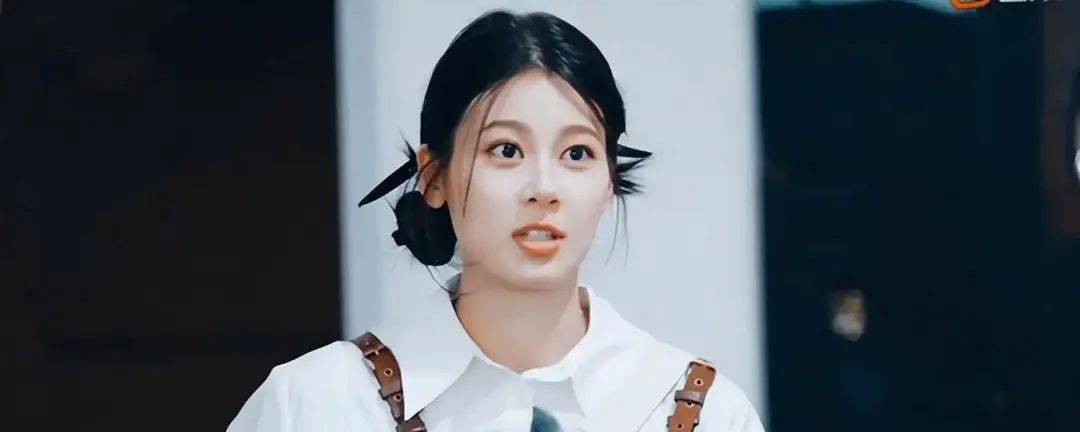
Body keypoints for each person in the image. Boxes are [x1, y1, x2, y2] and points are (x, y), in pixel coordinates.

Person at [227, 10, 765, 432]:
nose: (544, 188)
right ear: (433, 177)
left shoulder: (703, 411)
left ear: (609, 184)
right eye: (506, 150)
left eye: (577, 154)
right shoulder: (317, 405)